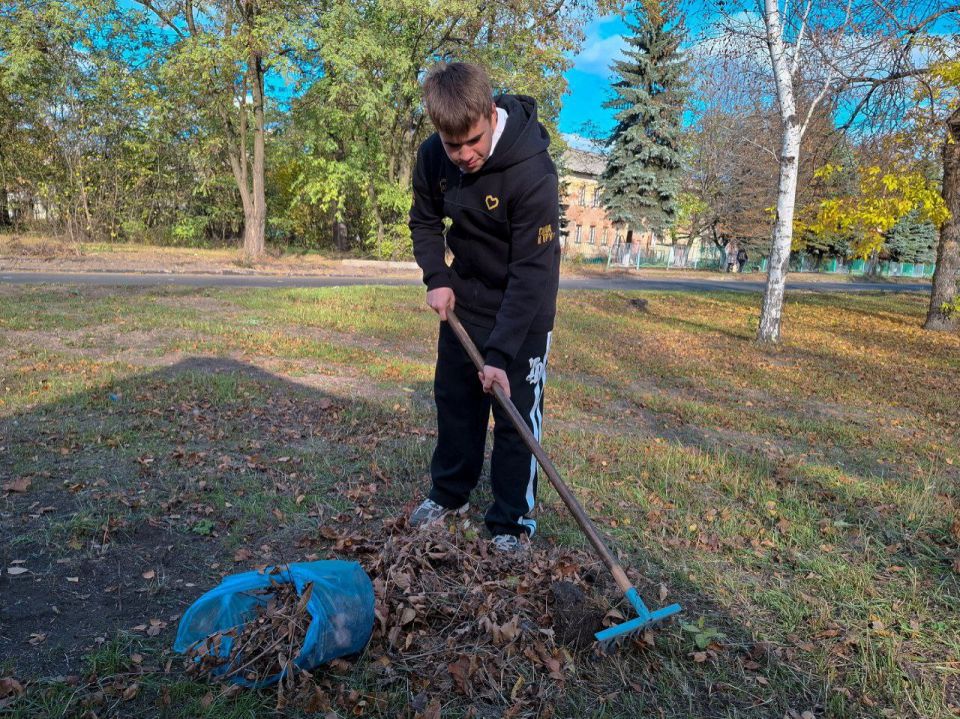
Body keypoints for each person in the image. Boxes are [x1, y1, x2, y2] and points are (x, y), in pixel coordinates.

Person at [407, 62, 561, 553]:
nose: (464, 155)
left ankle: (512, 523)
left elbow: (532, 274)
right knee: (455, 404)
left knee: (514, 420)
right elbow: (425, 221)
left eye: (472, 140)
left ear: (490, 114)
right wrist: (436, 277)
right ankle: (450, 496)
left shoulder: (532, 172)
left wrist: (499, 355)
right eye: (453, 145)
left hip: (524, 311)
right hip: (464, 301)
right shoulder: (434, 157)